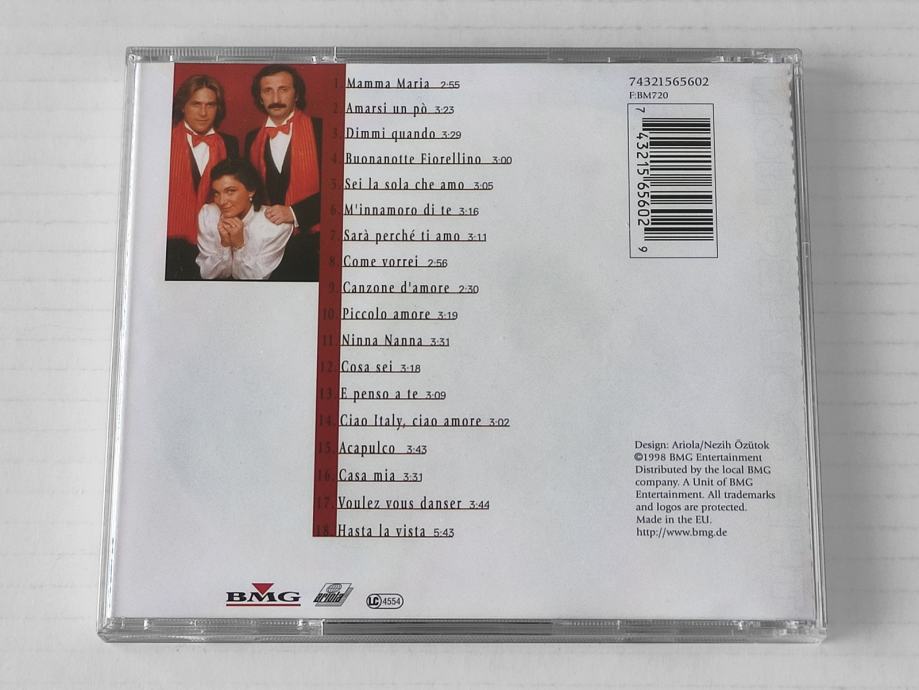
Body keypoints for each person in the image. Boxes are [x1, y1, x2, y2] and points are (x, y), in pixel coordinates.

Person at [245, 64, 322, 282]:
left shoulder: (321, 129)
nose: (276, 98)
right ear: (260, 98)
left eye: (283, 89)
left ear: (296, 94)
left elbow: (340, 190)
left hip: (312, 243)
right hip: (265, 245)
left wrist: (295, 213)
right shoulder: (252, 139)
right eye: (268, 91)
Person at [166, 74, 239, 280]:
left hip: (214, 243)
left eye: (210, 105)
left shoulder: (230, 144)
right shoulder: (163, 139)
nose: (203, 113)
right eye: (196, 104)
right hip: (170, 244)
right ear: (183, 106)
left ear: (218, 108)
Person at [196, 158, 293, 280]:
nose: (221, 201)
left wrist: (239, 246)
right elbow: (208, 275)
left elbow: (252, 280)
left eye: (230, 191)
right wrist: (224, 245)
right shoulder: (208, 215)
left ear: (251, 191)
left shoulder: (276, 227)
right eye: (216, 193)